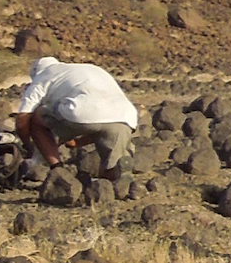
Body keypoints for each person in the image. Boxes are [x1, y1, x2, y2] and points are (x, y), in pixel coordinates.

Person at [10, 30, 138, 190]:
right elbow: (99, 120)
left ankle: (58, 170)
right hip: (125, 117)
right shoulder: (88, 68)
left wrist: (27, 144)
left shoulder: (43, 76)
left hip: (81, 113)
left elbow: (23, 118)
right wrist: (76, 142)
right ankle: (115, 179)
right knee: (109, 165)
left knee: (37, 117)